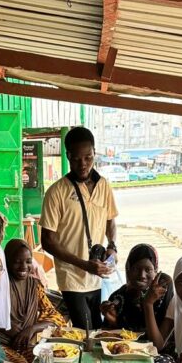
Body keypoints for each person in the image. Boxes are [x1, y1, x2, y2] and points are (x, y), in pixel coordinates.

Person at [39, 126, 118, 329]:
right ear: (68, 156)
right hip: (71, 277)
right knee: (86, 331)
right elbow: (47, 241)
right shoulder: (56, 192)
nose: (83, 164)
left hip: (96, 275)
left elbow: (110, 220)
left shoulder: (104, 185)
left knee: (97, 329)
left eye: (88, 158)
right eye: (76, 159)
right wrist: (83, 265)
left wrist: (112, 246)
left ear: (94, 153)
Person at [0, 239, 67, 363]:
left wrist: (31, 329)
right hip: (1, 344)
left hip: (26, 343)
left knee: (51, 362)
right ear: (7, 261)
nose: (24, 267)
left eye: (28, 261)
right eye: (17, 262)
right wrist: (11, 330)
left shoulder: (34, 286)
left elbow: (54, 315)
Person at [101, 243, 173, 336]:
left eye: (148, 270)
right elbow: (106, 335)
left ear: (155, 271)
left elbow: (161, 337)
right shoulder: (118, 297)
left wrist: (148, 302)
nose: (142, 275)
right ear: (128, 270)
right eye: (136, 269)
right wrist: (114, 322)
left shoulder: (163, 291)